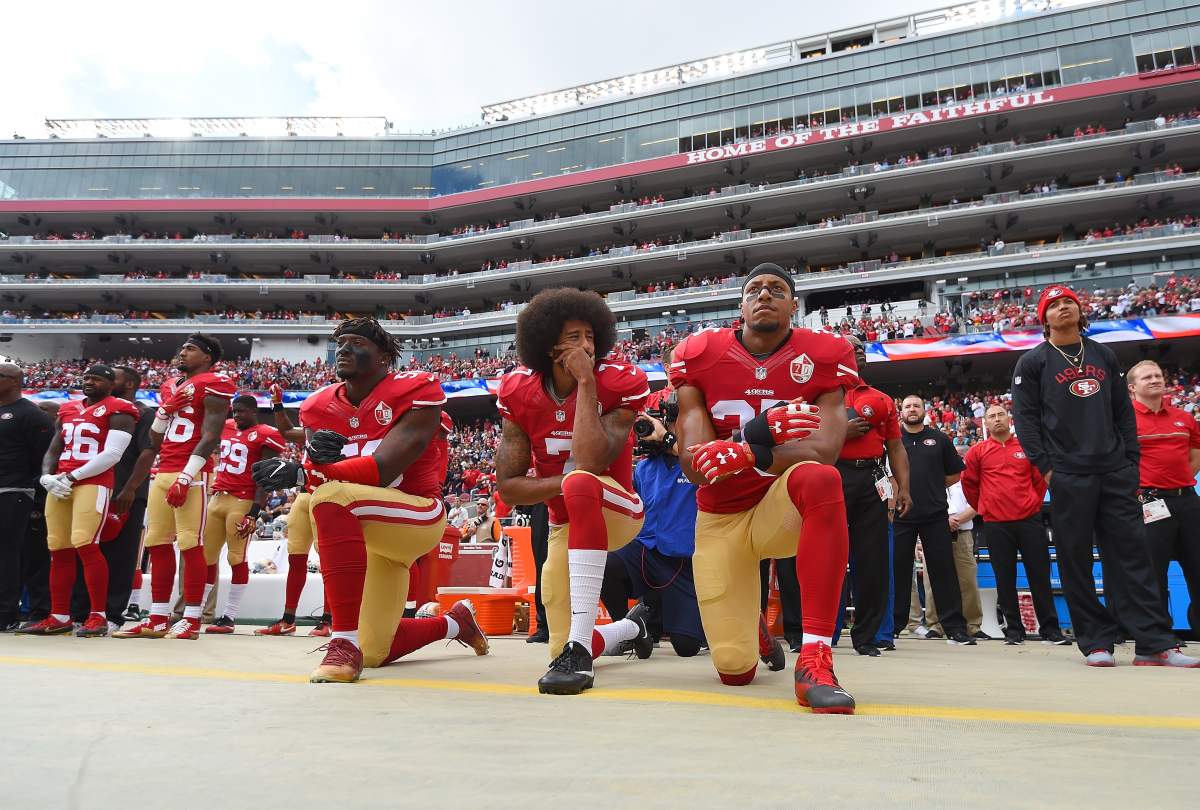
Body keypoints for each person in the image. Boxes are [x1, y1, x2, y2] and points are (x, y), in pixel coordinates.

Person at [251, 318, 488, 682]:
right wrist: (301, 469)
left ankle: (342, 641)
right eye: (341, 343)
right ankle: (454, 623)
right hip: (367, 528)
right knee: (376, 651)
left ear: (383, 357)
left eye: (357, 342)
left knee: (330, 497)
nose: (344, 349)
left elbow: (384, 468)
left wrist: (305, 474)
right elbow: (317, 473)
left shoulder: (416, 389)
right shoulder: (318, 405)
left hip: (416, 513)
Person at [671, 262, 856, 714]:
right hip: (721, 517)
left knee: (822, 478)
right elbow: (695, 465)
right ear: (741, 305)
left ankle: (814, 656)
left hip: (780, 504)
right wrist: (753, 434)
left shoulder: (824, 354)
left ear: (794, 305)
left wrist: (752, 452)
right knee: (736, 671)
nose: (765, 294)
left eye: (778, 289)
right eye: (754, 289)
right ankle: (749, 623)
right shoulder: (702, 354)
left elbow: (826, 450)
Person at [1011, 284, 1196, 667]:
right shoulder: (1033, 362)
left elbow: (1122, 414)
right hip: (1067, 473)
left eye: (1070, 303)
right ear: (1043, 317)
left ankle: (1153, 643)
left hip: (1114, 470)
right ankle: (1097, 641)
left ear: (1080, 311)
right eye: (1055, 305)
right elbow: (1026, 420)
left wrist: (1130, 461)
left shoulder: (1104, 355)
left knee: (1134, 557)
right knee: (1075, 558)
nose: (1064, 308)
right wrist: (1046, 468)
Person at [495, 287, 654, 695]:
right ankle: (623, 629)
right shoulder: (518, 391)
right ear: (548, 347)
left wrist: (586, 382)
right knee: (557, 646)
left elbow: (591, 462)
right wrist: (563, 485)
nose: (587, 345)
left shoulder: (617, 382)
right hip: (565, 520)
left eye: (590, 336)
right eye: (574, 338)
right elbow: (510, 487)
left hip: (617, 509)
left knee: (582, 481)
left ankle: (582, 651)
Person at [115, 334, 236, 640]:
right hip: (164, 468)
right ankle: (157, 617)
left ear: (207, 357)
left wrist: (186, 476)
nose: (182, 352)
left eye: (190, 349)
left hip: (191, 472)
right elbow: (154, 441)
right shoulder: (171, 385)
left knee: (189, 543)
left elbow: (211, 436)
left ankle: (192, 618)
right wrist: (164, 411)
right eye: (182, 348)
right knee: (156, 542)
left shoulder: (215, 382)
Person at [17, 365, 138, 637]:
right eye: (86, 378)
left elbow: (112, 454)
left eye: (96, 378)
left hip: (92, 482)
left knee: (86, 543)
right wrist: (46, 477)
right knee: (58, 547)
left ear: (110, 383)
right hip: (62, 482)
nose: (89, 382)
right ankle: (59, 615)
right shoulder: (68, 409)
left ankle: (98, 616)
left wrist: (72, 476)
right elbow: (54, 448)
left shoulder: (119, 408)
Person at [602, 385, 707, 658]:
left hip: (682, 562)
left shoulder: (694, 459)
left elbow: (699, 460)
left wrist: (669, 439)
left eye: (666, 422)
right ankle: (628, 627)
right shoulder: (646, 466)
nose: (657, 429)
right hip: (646, 551)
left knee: (686, 647)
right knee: (605, 561)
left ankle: (658, 619)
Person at [961, 404, 1066, 645]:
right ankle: (1014, 631)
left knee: (1039, 576)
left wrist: (1030, 504)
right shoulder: (977, 452)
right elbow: (970, 485)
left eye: (1000, 414)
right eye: (991, 416)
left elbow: (1039, 482)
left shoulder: (1027, 448)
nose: (996, 419)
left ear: (1009, 419)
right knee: (1004, 578)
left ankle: (1051, 630)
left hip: (1029, 521)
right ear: (985, 423)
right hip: (996, 523)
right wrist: (987, 506)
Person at [838, 335, 911, 656]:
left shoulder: (881, 399)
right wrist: (841, 431)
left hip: (872, 479)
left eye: (861, 348)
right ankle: (821, 634)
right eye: (850, 347)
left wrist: (903, 487)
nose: (858, 351)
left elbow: (895, 446)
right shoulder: (820, 395)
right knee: (828, 558)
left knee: (873, 561)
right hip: (832, 475)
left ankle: (866, 636)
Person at [892, 395, 974, 646]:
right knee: (898, 572)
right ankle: (893, 627)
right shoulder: (893, 441)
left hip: (935, 513)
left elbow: (954, 474)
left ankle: (955, 628)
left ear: (924, 410)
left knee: (943, 571)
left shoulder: (939, 438)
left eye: (916, 405)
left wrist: (932, 488)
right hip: (901, 516)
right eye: (907, 406)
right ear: (901, 411)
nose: (912, 409)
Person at [202, 395, 287, 633]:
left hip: (242, 500)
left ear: (253, 412)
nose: (236, 415)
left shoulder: (264, 433)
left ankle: (229, 616)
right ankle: (195, 612)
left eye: (241, 411)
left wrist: (253, 512)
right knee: (206, 557)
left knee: (236, 558)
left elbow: (264, 478)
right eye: (234, 411)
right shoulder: (227, 427)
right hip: (218, 498)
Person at [1127, 360, 1200, 620]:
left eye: (1158, 375)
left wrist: (1175, 483)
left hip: (1188, 501)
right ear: (1132, 387)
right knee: (1153, 572)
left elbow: (1195, 455)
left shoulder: (1184, 418)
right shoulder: (1124, 421)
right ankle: (1159, 635)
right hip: (1149, 503)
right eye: (1147, 377)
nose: (1155, 379)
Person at [257, 382, 329, 636]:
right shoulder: (312, 431)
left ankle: (330, 619)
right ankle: (288, 619)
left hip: (326, 494)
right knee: (296, 557)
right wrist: (277, 403)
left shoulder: (341, 431)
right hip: (304, 497)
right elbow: (287, 431)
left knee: (329, 561)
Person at [0, 363, 55, 632]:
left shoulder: (32, 415)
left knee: (8, 554)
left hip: (16, 492)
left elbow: (44, 460)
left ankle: (6, 613)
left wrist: (36, 497)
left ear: (13, 381)